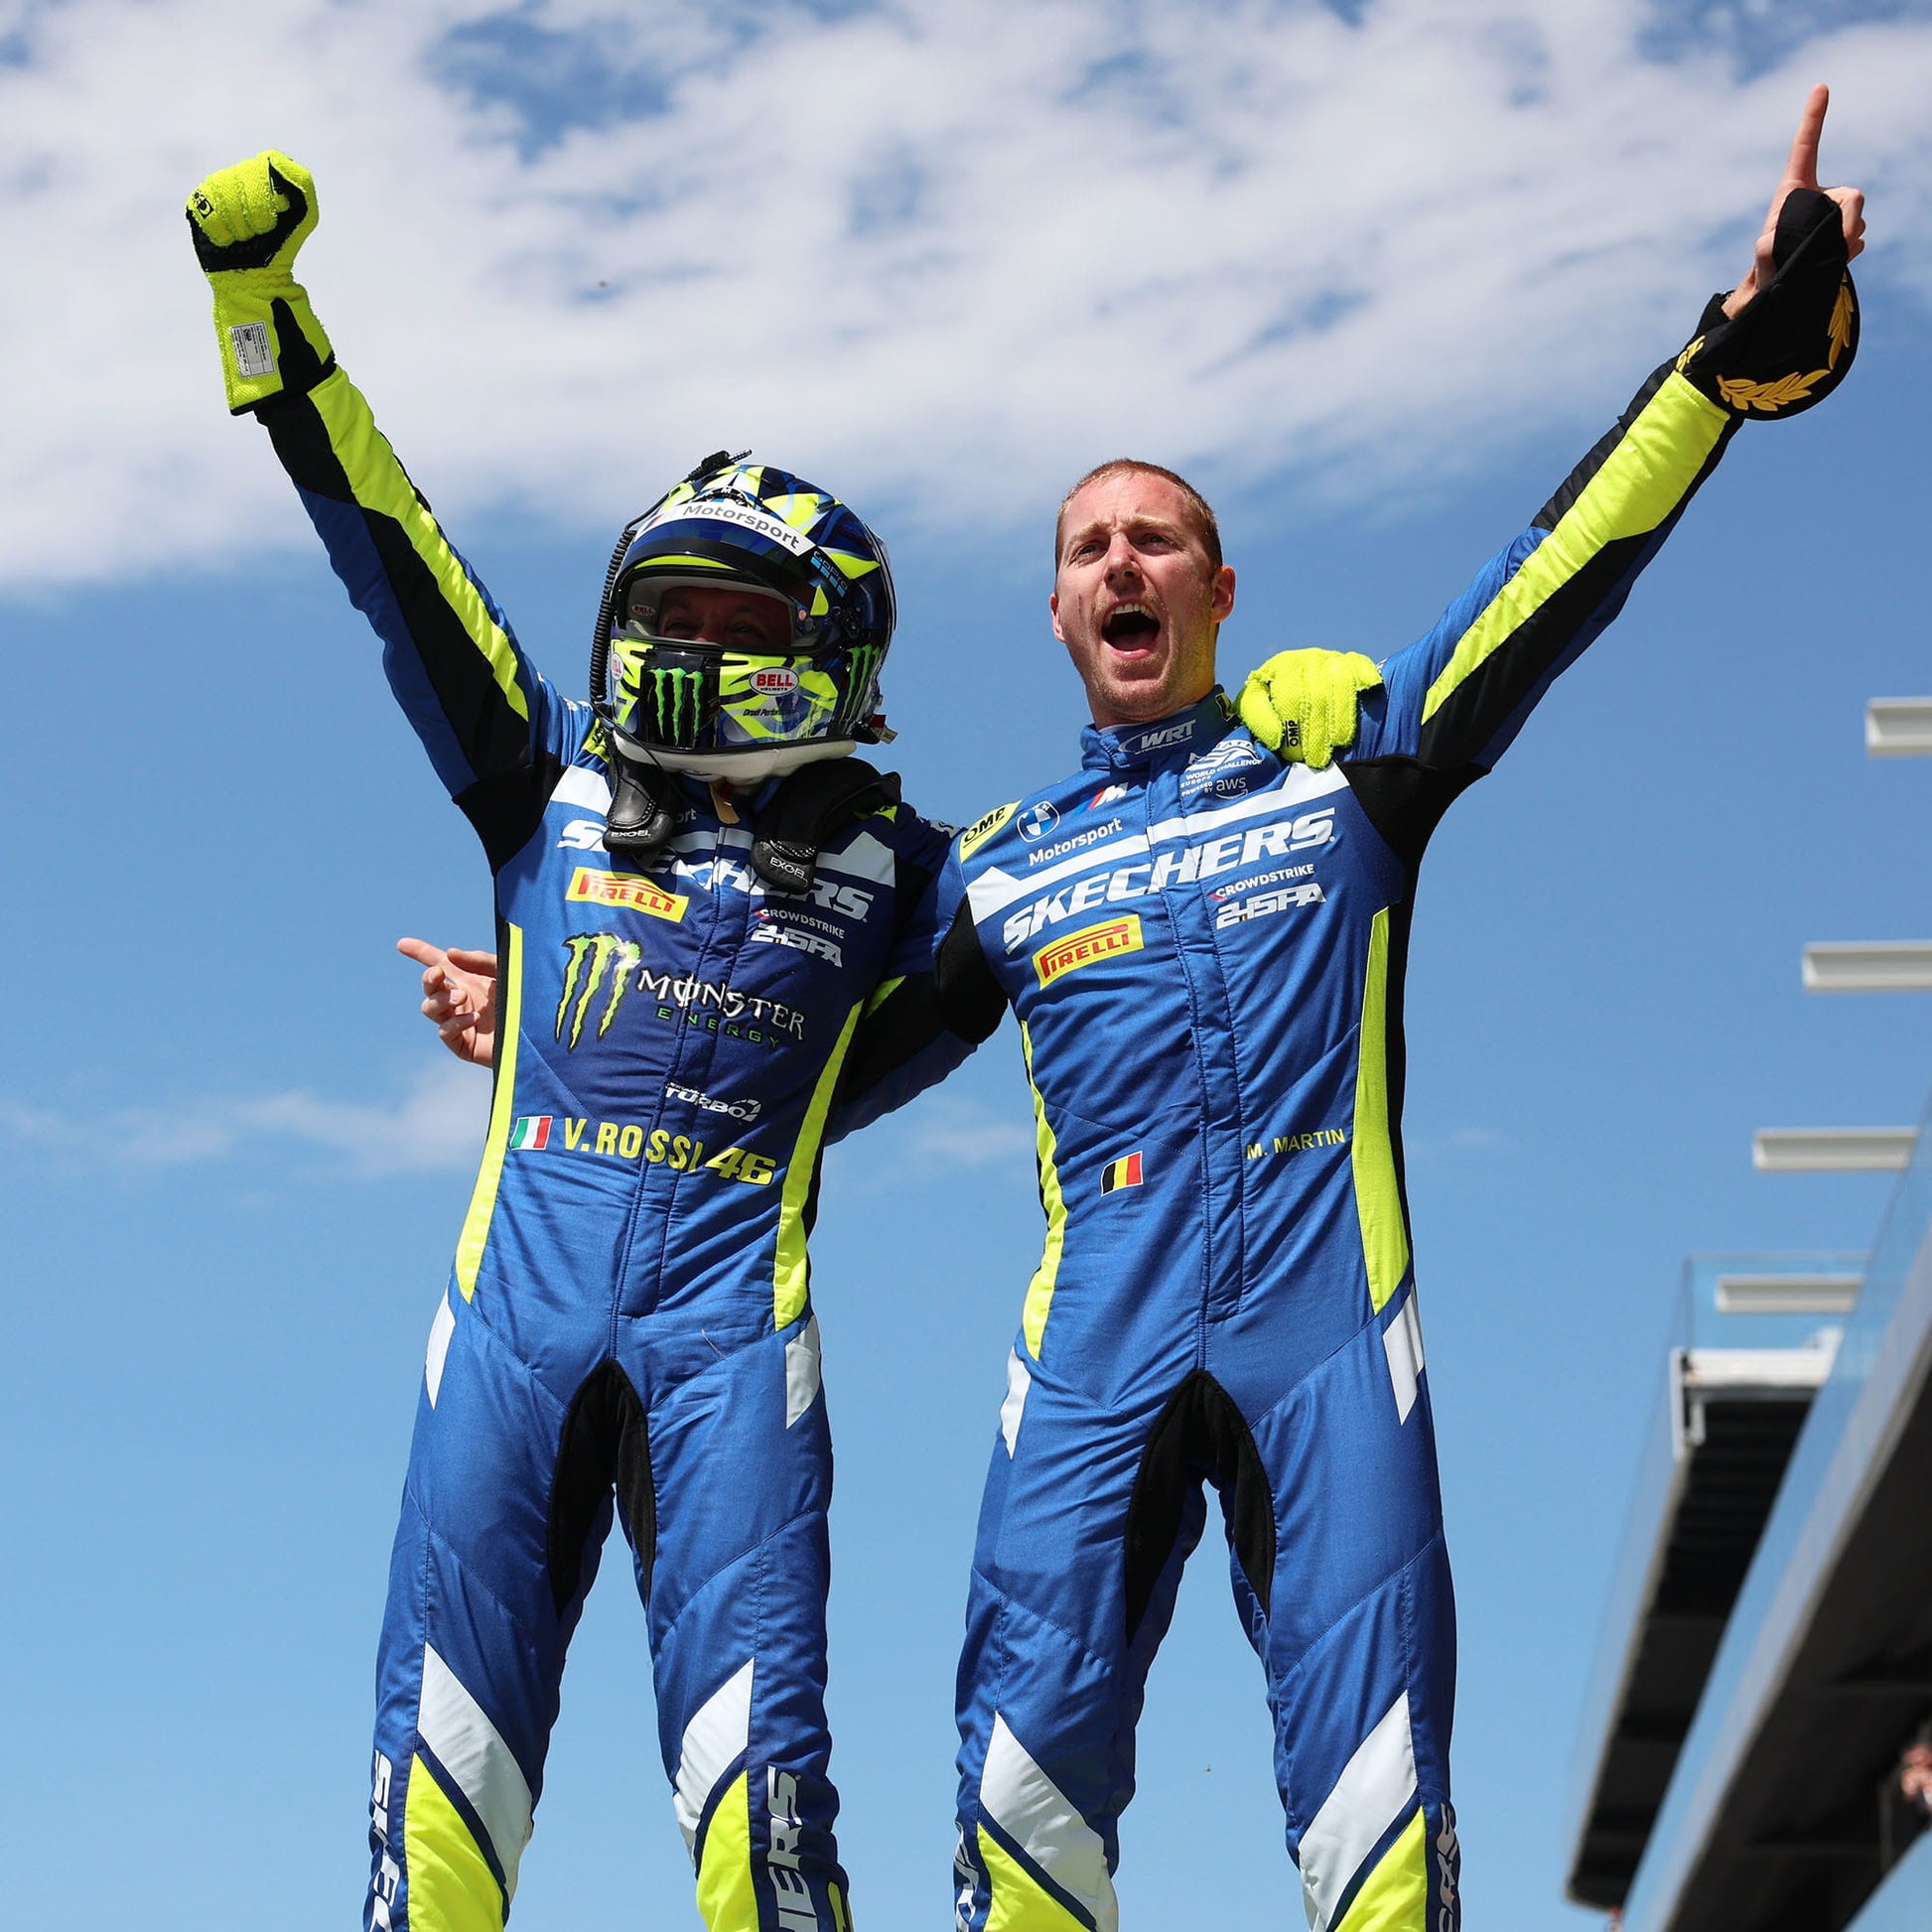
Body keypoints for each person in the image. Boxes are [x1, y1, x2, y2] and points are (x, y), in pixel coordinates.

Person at [392, 86, 1866, 1932]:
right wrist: (560, 1009)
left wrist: (1715, 372)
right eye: (1088, 544)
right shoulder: (997, 869)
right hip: (1085, 1358)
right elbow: (795, 1050)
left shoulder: (1347, 767)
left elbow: (1552, 580)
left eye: (1156, 539)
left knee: (1380, 1832)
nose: (1120, 562)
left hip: (1329, 1339)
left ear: (1216, 589)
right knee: (1020, 1827)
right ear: (1055, 610)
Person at [186, 151, 969, 1932]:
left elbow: (1132, 907)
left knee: (767, 1800)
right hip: (508, 1343)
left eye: (739, 623)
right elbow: (390, 548)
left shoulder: (926, 872)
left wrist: (1277, 739)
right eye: (669, 614)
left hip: (728, 1356)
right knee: (430, 1796)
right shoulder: (541, 783)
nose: (692, 649)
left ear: (833, 649)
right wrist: (266, 320)